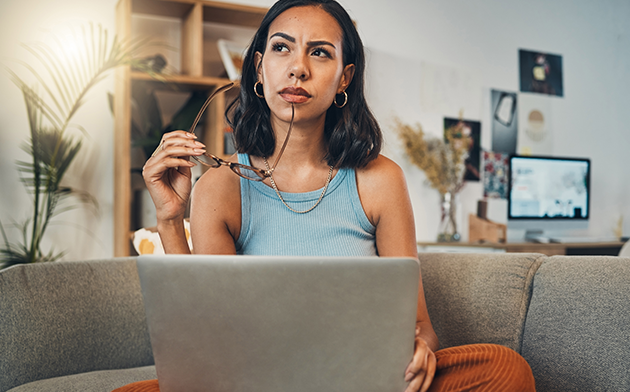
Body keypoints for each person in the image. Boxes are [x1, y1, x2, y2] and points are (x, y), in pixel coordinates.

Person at [116, 1, 535, 391]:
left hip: (363, 377)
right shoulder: (222, 187)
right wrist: (171, 219)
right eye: (282, 48)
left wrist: (421, 347)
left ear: (344, 79)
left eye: (320, 53)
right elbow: (208, 336)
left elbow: (419, 323)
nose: (298, 68)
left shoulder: (379, 180)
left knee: (504, 369)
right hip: (259, 380)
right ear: (260, 68)